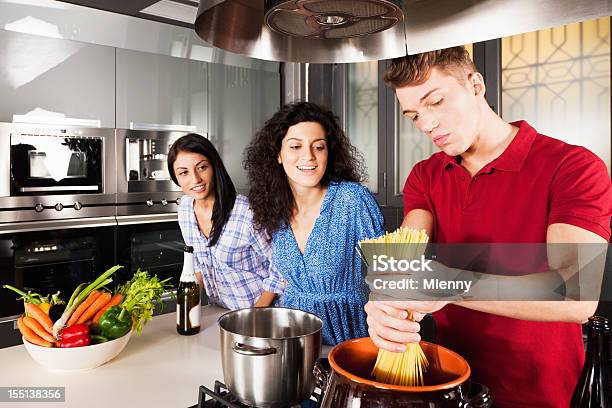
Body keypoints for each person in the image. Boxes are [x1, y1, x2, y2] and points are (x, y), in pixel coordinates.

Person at [363, 47, 612, 407]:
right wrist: (384, 305)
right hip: (451, 383)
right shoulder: (425, 176)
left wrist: (449, 283)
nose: (427, 124)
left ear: (475, 85)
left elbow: (576, 293)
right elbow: (403, 260)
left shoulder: (573, 167)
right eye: (414, 115)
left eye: (436, 102)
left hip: (541, 391)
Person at [244, 101, 385, 345]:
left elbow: (388, 277)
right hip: (294, 339)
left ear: (328, 153)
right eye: (295, 146)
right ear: (278, 154)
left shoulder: (352, 199)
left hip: (349, 342)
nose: (308, 156)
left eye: (318, 147)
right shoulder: (276, 209)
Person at [168, 133, 284, 310]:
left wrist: (255, 315)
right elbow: (199, 264)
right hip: (222, 312)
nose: (195, 179)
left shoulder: (247, 213)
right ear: (176, 178)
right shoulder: (184, 209)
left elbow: (280, 266)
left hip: (265, 314)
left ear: (214, 166)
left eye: (202, 167)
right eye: (184, 172)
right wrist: (187, 307)